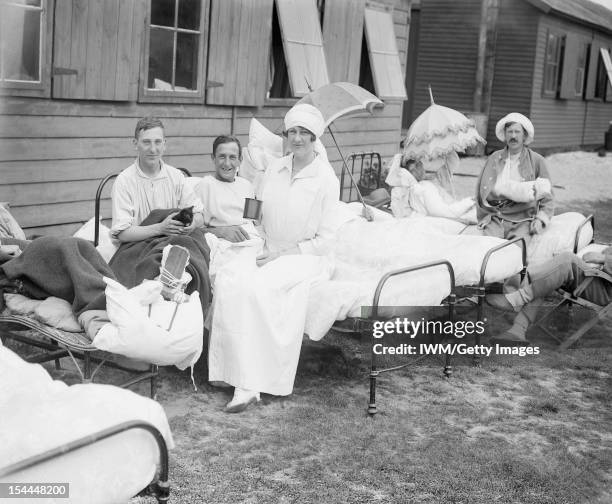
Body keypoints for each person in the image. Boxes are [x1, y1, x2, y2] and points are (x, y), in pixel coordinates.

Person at [208, 103, 339, 413]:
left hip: (306, 256)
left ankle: (251, 384)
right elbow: (254, 208)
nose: (296, 139)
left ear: (314, 138)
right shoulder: (274, 169)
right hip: (267, 246)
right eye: (291, 132)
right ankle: (228, 370)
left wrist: (282, 254)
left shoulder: (326, 179)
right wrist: (250, 233)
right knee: (231, 278)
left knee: (260, 288)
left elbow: (326, 240)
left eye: (304, 133)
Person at [109, 117, 211, 314]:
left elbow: (199, 215)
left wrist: (191, 224)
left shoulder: (175, 176)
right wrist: (159, 227)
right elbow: (122, 233)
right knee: (148, 267)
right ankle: (165, 289)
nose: (152, 149)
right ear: (135, 144)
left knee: (194, 250)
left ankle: (182, 297)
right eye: (146, 142)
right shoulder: (125, 181)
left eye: (157, 142)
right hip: (139, 244)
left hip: (174, 241)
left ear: (165, 145)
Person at [486, 249, 612, 344]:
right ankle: (517, 330)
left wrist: (604, 258)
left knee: (565, 261)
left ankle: (518, 299)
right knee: (550, 273)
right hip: (600, 278)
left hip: (605, 290)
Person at [476, 113, 553, 245]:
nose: (513, 136)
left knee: (516, 251)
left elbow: (548, 197)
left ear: (524, 136)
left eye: (517, 132)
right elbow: (481, 190)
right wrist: (484, 216)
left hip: (523, 219)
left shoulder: (537, 160)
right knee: (487, 247)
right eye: (509, 132)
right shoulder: (494, 158)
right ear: (505, 135)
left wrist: (541, 219)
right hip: (496, 217)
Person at [194, 135, 255, 243]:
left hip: (251, 242)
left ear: (240, 160)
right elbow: (192, 229)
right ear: (213, 158)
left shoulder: (248, 186)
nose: (227, 163)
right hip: (219, 245)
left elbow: (256, 221)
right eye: (222, 156)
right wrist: (222, 231)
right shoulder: (204, 186)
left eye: (232, 157)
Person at [386, 154, 476, 223]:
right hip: (448, 220)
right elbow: (443, 212)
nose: (424, 168)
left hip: (452, 213)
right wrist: (469, 202)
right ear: (414, 169)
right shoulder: (421, 187)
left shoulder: (425, 182)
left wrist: (447, 149)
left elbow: (450, 165)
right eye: (421, 165)